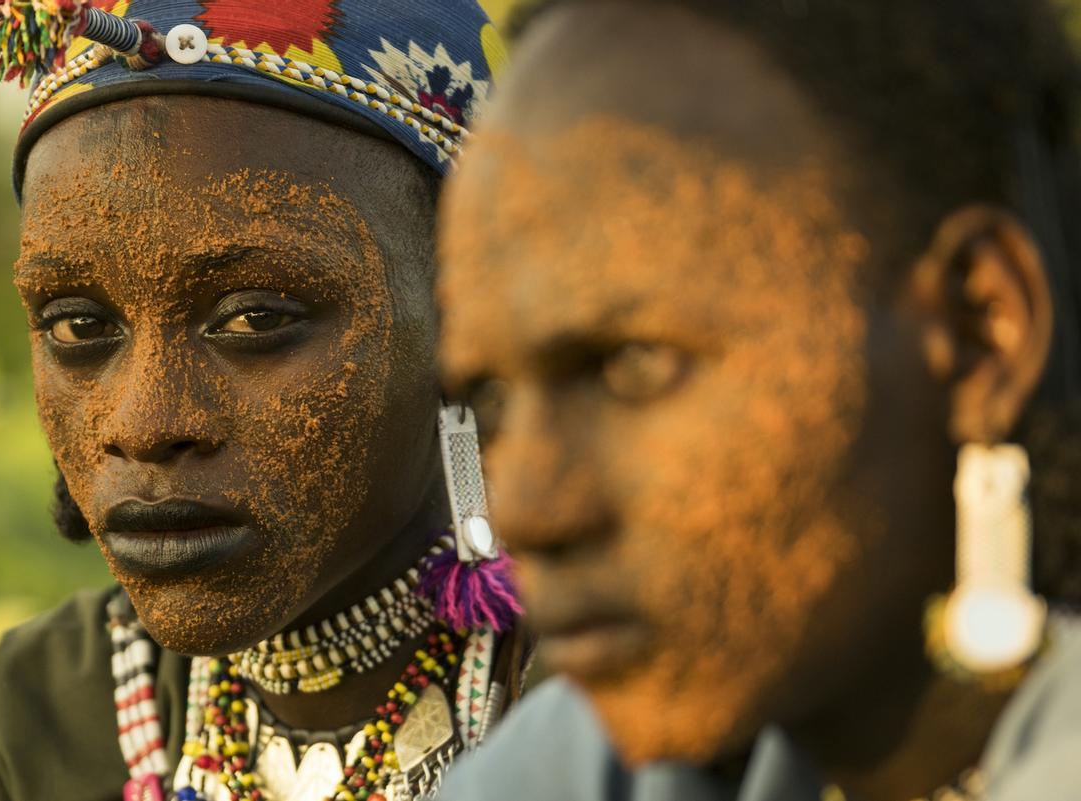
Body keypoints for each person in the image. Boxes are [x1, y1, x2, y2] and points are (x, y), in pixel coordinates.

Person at [435, 1, 1081, 799]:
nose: (527, 510)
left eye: (633, 365)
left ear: (981, 332)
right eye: (490, 396)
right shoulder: (586, 768)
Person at [0, 2, 525, 800]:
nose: (145, 423)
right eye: (78, 325)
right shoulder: (33, 728)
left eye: (256, 317)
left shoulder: (613, 696)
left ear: (466, 319)